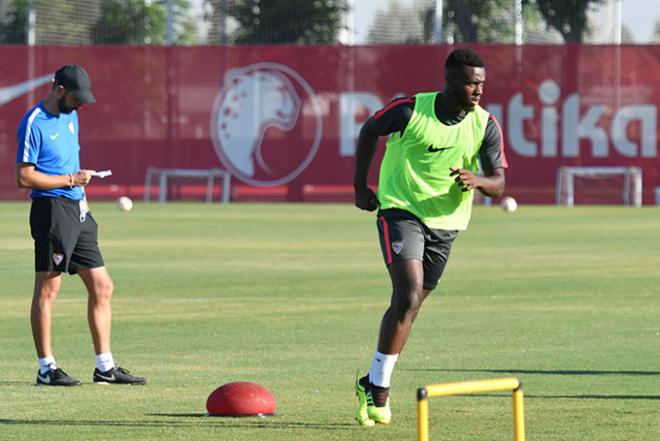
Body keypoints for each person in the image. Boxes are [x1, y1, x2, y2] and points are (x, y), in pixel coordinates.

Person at [353, 48, 507, 426]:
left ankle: (369, 381)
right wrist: (360, 186)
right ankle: (381, 391)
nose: (478, 91)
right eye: (472, 83)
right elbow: (369, 130)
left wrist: (479, 180)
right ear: (451, 81)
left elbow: (499, 184)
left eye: (482, 84)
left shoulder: (485, 125)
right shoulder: (409, 110)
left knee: (411, 304)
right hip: (400, 210)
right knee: (406, 295)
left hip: (446, 223)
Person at [16, 65, 146, 386]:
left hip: (78, 208)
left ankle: (105, 367)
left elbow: (70, 159)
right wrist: (71, 180)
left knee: (103, 286)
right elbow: (24, 177)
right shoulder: (34, 122)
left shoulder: (71, 115)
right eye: (77, 97)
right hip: (52, 210)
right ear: (59, 90)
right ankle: (46, 368)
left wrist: (81, 195)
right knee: (49, 289)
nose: (81, 104)